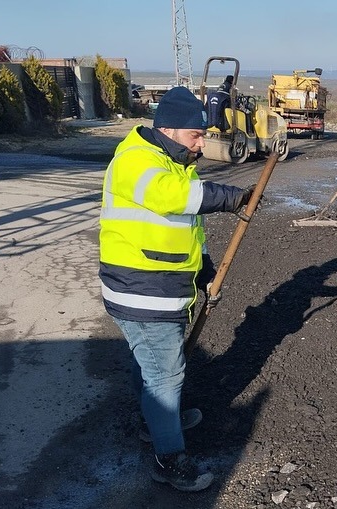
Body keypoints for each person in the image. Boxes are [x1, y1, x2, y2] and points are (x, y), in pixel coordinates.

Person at [98, 86, 254, 490]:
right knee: (165, 376)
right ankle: (169, 459)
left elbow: (186, 227)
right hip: (140, 290)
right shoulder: (136, 160)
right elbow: (173, 198)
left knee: (149, 363)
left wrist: (202, 268)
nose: (202, 144)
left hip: (159, 285)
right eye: (195, 136)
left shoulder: (175, 160)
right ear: (166, 128)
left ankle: (157, 420)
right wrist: (230, 197)